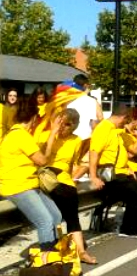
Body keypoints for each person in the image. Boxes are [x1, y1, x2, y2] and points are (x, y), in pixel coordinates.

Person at [90, 104, 137, 239]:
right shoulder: (103, 129)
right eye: (126, 120)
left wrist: (128, 167)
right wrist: (93, 176)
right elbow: (94, 152)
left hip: (122, 171)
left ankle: (129, 227)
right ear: (123, 117)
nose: (127, 123)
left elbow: (131, 150)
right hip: (110, 173)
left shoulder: (117, 130)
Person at [0, 99, 63, 251]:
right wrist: (53, 134)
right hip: (17, 186)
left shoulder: (18, 135)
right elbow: (42, 161)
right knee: (45, 221)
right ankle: (47, 261)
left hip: (29, 184)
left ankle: (54, 251)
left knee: (56, 216)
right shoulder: (20, 135)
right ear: (34, 118)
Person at [38, 108, 97, 264]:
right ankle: (58, 250)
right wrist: (53, 133)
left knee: (72, 218)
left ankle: (81, 252)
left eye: (68, 124)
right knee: (53, 217)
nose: (64, 127)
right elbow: (43, 157)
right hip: (46, 178)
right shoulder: (45, 136)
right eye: (61, 123)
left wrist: (73, 179)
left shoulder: (76, 140)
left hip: (64, 182)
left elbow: (73, 164)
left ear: (74, 126)